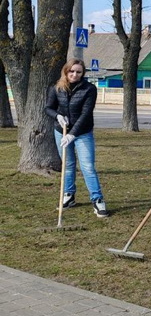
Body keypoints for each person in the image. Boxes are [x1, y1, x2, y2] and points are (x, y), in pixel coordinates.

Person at [44, 58, 108, 217]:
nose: (74, 74)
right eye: (71, 71)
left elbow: (86, 114)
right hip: (61, 131)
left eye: (78, 72)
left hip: (83, 133)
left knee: (87, 167)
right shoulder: (57, 88)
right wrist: (57, 116)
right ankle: (69, 195)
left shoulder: (89, 89)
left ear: (82, 73)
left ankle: (97, 199)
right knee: (68, 165)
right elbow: (48, 108)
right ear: (66, 71)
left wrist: (73, 134)